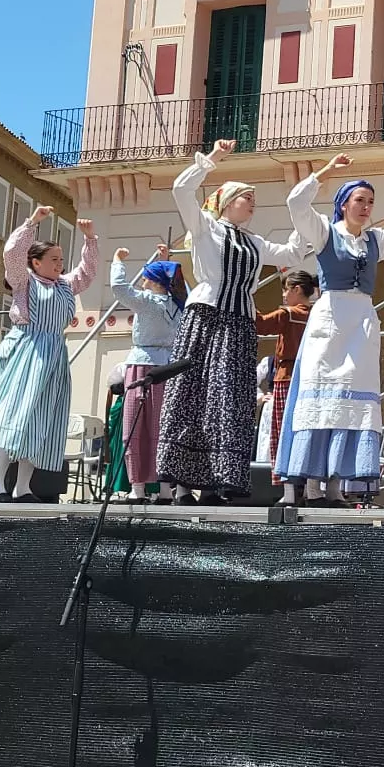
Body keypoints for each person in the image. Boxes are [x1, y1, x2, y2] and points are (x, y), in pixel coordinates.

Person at [156, 139, 315, 506]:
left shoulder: (255, 242)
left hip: (238, 323)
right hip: (206, 317)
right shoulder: (206, 227)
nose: (252, 203)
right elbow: (182, 189)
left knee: (228, 399)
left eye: (253, 199)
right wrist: (211, 160)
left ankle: (216, 480)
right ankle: (181, 485)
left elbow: (292, 253)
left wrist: (301, 211)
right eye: (246, 197)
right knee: (193, 394)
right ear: (227, 202)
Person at [276, 154, 384, 507]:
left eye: (370, 202)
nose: (366, 207)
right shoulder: (325, 232)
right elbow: (295, 202)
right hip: (331, 317)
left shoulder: (374, 240)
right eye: (360, 200)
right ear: (343, 204)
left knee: (350, 402)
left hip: (361, 321)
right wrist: (325, 173)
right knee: (321, 400)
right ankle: (310, 486)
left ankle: (333, 487)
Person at [0, 207, 98, 503]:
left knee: (41, 420)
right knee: (12, 415)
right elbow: (11, 253)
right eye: (53, 260)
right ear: (35, 262)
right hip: (26, 351)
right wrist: (31, 223)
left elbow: (87, 274)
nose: (60, 265)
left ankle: (23, 486)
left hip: (53, 357)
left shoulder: (64, 286)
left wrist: (89, 240)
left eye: (62, 260)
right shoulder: (24, 281)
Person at [109, 243, 186, 505]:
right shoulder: (178, 306)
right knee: (162, 429)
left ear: (154, 282)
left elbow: (120, 289)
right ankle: (165, 489)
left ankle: (137, 489)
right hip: (169, 367)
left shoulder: (147, 302)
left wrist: (118, 261)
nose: (143, 280)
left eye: (147, 276)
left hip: (143, 365)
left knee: (135, 426)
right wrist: (165, 261)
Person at [257, 270, 317, 477]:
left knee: (282, 432)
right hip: (311, 377)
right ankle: (307, 482)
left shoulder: (288, 314)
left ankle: (286, 482)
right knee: (305, 430)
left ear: (297, 289)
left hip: (287, 375)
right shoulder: (318, 314)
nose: (283, 295)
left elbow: (261, 324)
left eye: (286, 289)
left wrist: (244, 297)